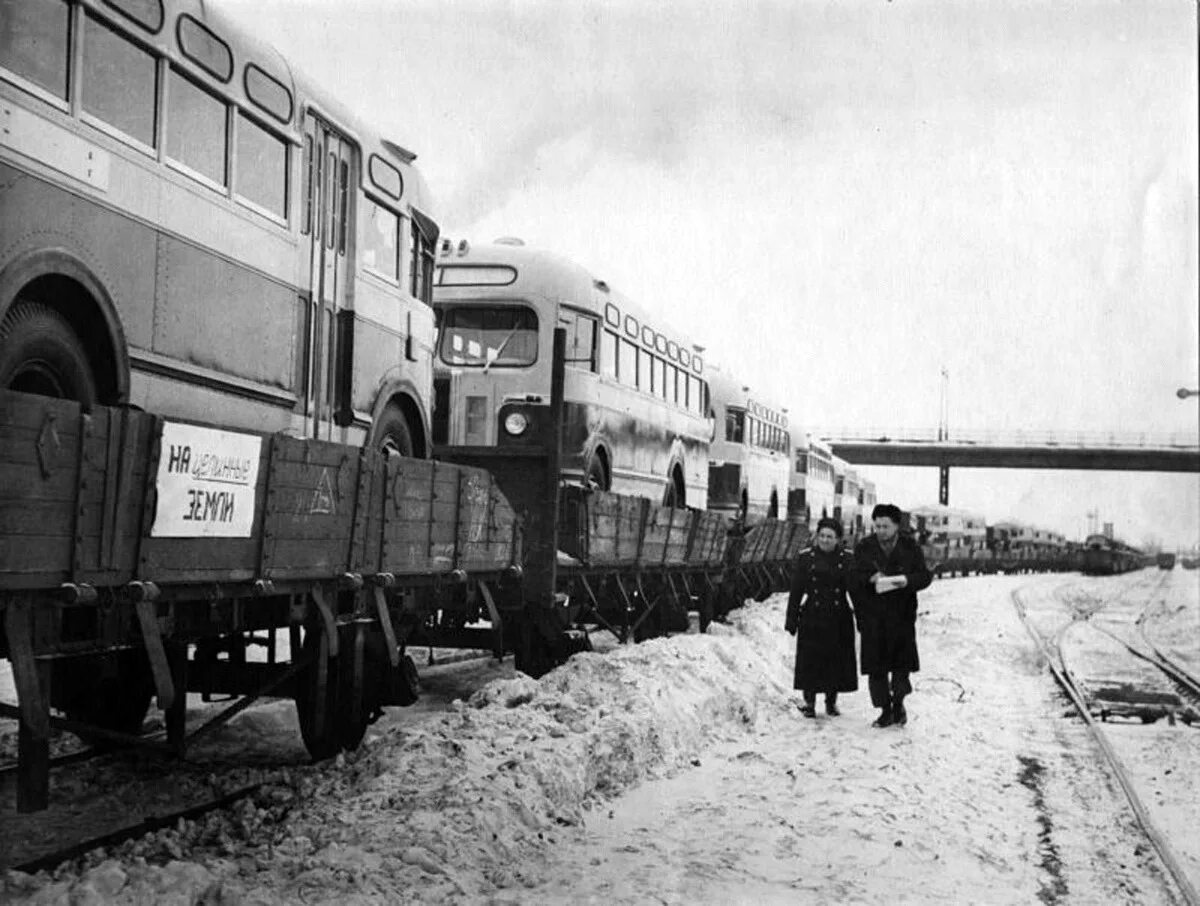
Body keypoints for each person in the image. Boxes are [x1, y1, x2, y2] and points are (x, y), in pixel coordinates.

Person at [850, 503, 933, 728]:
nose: (880, 531)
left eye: (885, 526)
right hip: (873, 617)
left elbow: (925, 576)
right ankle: (884, 710)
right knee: (876, 669)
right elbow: (854, 578)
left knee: (900, 667)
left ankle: (899, 703)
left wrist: (907, 581)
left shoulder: (910, 547)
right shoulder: (864, 547)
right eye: (877, 526)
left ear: (897, 526)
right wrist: (870, 577)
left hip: (901, 617)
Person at [784, 518, 858, 717]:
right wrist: (791, 619)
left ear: (838, 539)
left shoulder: (847, 559)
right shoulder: (806, 558)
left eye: (830, 537)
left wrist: (862, 618)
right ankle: (809, 702)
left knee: (835, 660)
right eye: (822, 536)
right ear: (816, 536)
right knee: (811, 660)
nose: (825, 540)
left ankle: (831, 702)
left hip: (838, 616)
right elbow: (796, 590)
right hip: (812, 616)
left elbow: (855, 591)